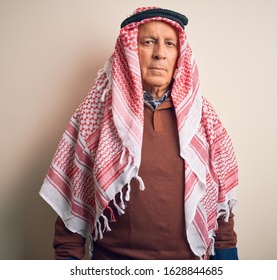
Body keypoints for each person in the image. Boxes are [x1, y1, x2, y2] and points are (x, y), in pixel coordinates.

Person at [39, 7, 239, 260]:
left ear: (180, 55)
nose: (160, 54)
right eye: (148, 42)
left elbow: (221, 213)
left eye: (170, 44)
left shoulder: (203, 119)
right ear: (130, 51)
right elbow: (71, 215)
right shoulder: (96, 114)